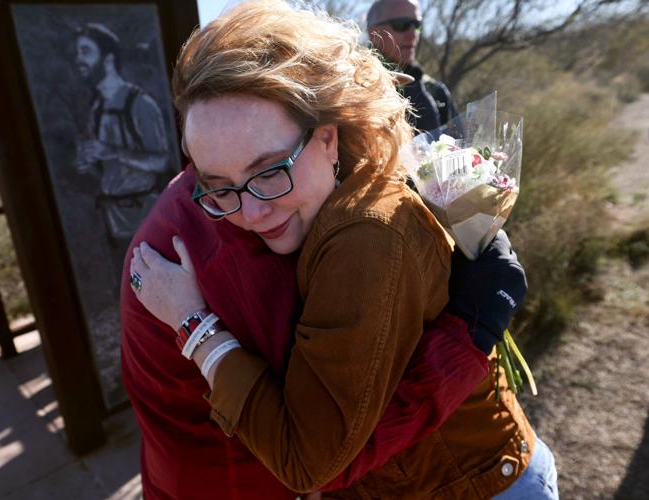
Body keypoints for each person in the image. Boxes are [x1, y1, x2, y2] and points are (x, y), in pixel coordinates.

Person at [125, 2, 559, 499]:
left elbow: (308, 463)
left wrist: (193, 325)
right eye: (218, 186)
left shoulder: (364, 235)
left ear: (328, 137)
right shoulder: (343, 187)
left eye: (269, 171)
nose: (250, 213)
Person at [72, 23, 171, 254]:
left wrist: (112, 151)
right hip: (114, 221)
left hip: (145, 220)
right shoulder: (96, 108)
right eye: (77, 53)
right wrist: (87, 162)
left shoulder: (140, 104)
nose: (79, 59)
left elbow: (161, 162)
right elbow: (104, 168)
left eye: (85, 51)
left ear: (107, 59)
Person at [367, 0, 458, 131]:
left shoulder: (436, 91)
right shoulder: (352, 89)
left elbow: (460, 145)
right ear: (373, 33)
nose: (413, 35)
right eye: (401, 25)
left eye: (417, 25)